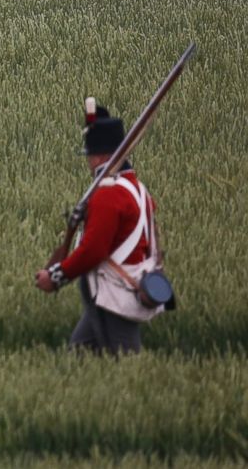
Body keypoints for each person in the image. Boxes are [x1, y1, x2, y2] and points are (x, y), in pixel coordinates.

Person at [35, 102, 166, 354]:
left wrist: (56, 276)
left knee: (124, 359)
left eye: (91, 155)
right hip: (109, 292)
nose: (89, 161)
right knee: (79, 353)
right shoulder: (137, 189)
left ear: (103, 156)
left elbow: (93, 251)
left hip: (114, 294)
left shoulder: (109, 194)